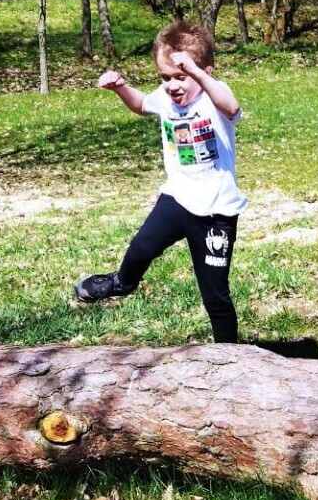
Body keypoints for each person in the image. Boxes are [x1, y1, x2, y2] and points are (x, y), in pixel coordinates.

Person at [73, 21, 246, 342]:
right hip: (176, 199)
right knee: (141, 248)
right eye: (165, 78)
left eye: (181, 77)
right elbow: (141, 105)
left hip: (216, 212)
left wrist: (196, 73)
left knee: (215, 295)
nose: (172, 86)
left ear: (205, 71)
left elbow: (232, 107)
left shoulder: (213, 97)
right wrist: (121, 88)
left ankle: (230, 355)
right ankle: (122, 282)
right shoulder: (166, 99)